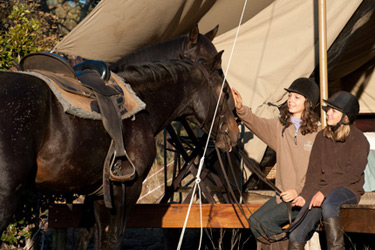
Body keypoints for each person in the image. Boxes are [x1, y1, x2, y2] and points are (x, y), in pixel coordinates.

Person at [232, 77, 321, 247]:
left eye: (297, 97)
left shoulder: (318, 133)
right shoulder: (281, 127)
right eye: (290, 96)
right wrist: (240, 109)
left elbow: (320, 171)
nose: (290, 100)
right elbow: (257, 123)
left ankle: (292, 245)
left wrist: (299, 191)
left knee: (263, 223)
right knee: (255, 222)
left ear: (308, 103)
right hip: (284, 197)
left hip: (306, 198)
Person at [288, 91, 370, 250]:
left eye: (334, 111)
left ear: (345, 117)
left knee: (330, 203)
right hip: (321, 192)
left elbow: (351, 175)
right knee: (295, 232)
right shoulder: (321, 137)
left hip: (347, 190)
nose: (328, 114)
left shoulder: (359, 140)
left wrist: (324, 192)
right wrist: (305, 195)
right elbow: (313, 173)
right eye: (328, 110)